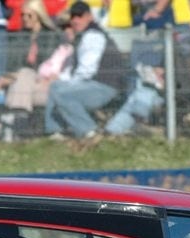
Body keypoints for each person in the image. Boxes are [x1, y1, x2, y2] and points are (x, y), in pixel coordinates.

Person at [105, 3, 190, 135]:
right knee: (142, 93)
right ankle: (114, 131)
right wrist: (159, 70)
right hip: (173, 86)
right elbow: (168, 62)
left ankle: (121, 129)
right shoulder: (185, 41)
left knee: (145, 94)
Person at [44, 0, 127, 140]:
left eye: (80, 16)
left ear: (89, 16)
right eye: (73, 17)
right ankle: (55, 133)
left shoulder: (93, 36)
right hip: (95, 85)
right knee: (56, 86)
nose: (76, 20)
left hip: (103, 87)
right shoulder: (84, 36)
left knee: (59, 90)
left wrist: (66, 85)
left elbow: (86, 71)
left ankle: (88, 131)